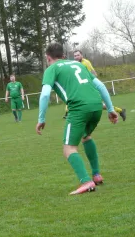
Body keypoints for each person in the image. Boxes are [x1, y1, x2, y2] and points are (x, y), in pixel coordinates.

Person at [36, 42, 118, 195]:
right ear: (63, 55)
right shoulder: (78, 65)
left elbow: (45, 94)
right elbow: (100, 86)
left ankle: (86, 182)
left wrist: (41, 118)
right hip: (96, 106)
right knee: (86, 136)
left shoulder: (51, 69)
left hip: (79, 108)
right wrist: (111, 109)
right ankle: (96, 174)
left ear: (48, 58)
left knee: (69, 148)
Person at [68, 50, 126, 121]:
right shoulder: (76, 64)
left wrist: (91, 84)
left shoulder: (85, 63)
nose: (76, 57)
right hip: (84, 88)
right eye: (75, 56)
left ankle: (118, 111)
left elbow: (93, 74)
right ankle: (120, 110)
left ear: (82, 55)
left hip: (90, 87)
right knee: (98, 104)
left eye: (78, 55)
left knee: (96, 104)